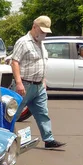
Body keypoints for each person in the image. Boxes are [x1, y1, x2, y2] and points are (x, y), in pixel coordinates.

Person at [11, 16, 66, 149]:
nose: (44, 34)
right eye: (42, 31)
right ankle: (4, 138)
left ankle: (49, 140)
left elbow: (40, 63)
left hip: (38, 86)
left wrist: (43, 80)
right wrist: (18, 82)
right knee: (12, 114)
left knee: (42, 113)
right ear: (34, 27)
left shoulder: (40, 44)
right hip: (24, 85)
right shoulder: (23, 42)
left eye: (46, 32)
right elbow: (14, 62)